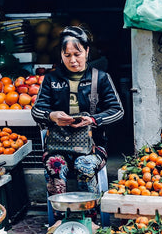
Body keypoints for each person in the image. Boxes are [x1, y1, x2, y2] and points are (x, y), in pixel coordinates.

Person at [31, 26, 124, 201]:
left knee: (85, 165)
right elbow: (36, 111)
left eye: (77, 54)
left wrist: (92, 119)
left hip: (93, 146)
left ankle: (90, 217)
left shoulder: (101, 78)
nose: (73, 60)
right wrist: (53, 116)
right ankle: (60, 217)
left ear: (87, 51)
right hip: (58, 146)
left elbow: (117, 111)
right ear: (61, 54)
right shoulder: (51, 79)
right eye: (67, 55)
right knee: (55, 165)